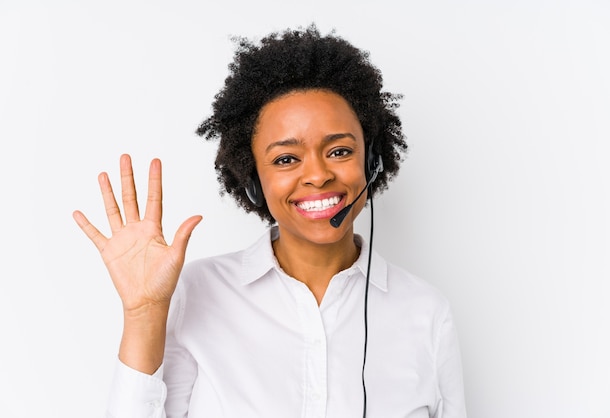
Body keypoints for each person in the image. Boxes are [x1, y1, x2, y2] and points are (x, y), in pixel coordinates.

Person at [73, 24, 466, 418]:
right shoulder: (195, 292)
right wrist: (143, 316)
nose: (317, 175)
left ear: (372, 161)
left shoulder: (426, 312)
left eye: (340, 151)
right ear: (253, 180)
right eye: (286, 159)